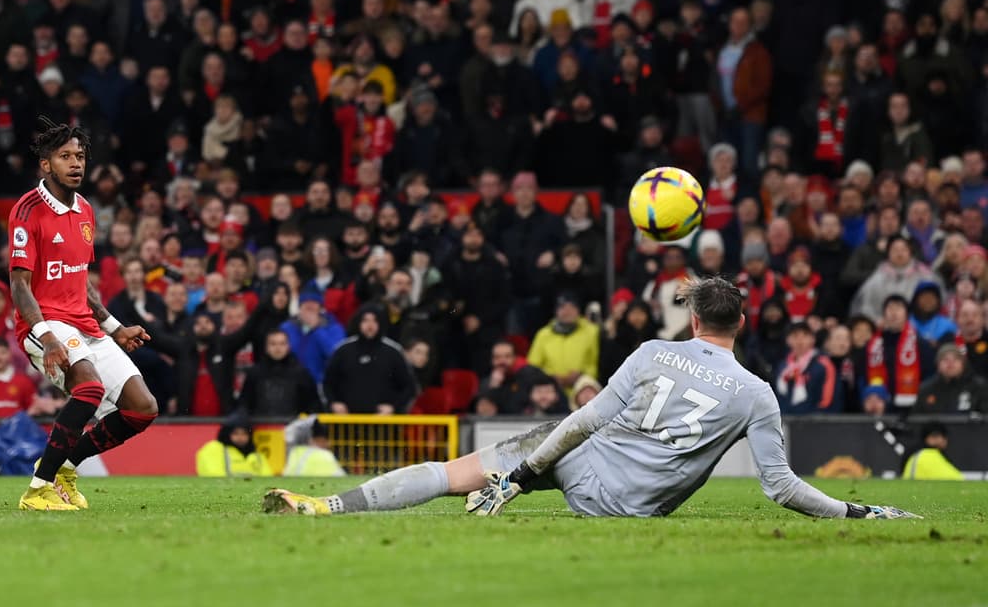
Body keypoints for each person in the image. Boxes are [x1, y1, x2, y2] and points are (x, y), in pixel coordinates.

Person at [265, 278, 917, 520]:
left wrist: (520, 477)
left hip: (579, 467)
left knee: (450, 473)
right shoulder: (756, 394)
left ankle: (327, 506)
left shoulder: (653, 351)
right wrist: (858, 511)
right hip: (636, 506)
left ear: (693, 319)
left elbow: (584, 420)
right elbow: (781, 487)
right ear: (740, 324)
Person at [9, 118, 158, 511]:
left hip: (84, 324)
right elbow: (20, 285)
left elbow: (81, 282)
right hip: (44, 324)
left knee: (142, 408)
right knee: (89, 389)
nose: (76, 163)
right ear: (46, 164)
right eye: (65, 156)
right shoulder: (27, 210)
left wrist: (114, 327)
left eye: (80, 156)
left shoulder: (86, 210)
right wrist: (46, 336)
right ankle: (38, 489)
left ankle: (65, 468)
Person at [196, 414, 273, 477]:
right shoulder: (215, 448)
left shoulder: (256, 454)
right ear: (226, 434)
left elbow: (267, 478)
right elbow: (213, 474)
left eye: (244, 434)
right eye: (235, 433)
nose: (240, 437)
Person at [281, 416, 346, 477]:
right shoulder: (325, 455)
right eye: (326, 440)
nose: (329, 444)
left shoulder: (294, 452)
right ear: (318, 439)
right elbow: (341, 476)